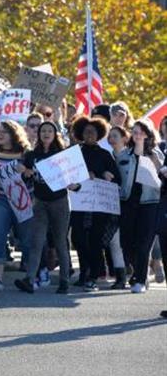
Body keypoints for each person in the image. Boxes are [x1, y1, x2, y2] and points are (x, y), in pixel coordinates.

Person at [14, 121, 72, 294]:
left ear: (55, 134)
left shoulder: (62, 154)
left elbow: (73, 178)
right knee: (37, 242)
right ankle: (30, 279)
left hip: (59, 201)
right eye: (43, 131)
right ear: (38, 134)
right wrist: (24, 171)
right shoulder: (32, 155)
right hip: (40, 202)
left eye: (50, 131)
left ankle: (64, 280)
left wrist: (74, 184)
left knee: (60, 241)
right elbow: (23, 175)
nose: (46, 133)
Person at [69, 116, 120, 291]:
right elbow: (66, 176)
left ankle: (93, 275)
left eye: (93, 131)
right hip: (78, 204)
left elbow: (116, 179)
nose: (89, 134)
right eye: (86, 131)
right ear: (80, 133)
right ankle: (84, 272)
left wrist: (102, 174)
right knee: (78, 239)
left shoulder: (105, 155)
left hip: (99, 207)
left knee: (96, 241)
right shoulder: (74, 153)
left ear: (99, 134)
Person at [0, 120, 32, 291]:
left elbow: (35, 176)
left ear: (14, 134)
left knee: (25, 239)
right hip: (1, 199)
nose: (0, 134)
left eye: (4, 131)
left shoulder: (26, 153)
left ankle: (32, 276)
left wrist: (27, 172)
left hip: (22, 201)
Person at [117, 119, 163, 293]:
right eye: (135, 131)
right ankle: (139, 271)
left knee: (144, 243)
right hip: (128, 202)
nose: (137, 135)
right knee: (126, 243)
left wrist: (151, 158)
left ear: (148, 134)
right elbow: (117, 174)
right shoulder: (124, 155)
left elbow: (161, 175)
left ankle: (140, 279)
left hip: (149, 202)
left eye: (141, 132)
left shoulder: (155, 153)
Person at [107, 126, 130, 288]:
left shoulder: (131, 157)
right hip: (111, 203)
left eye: (115, 135)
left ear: (124, 138)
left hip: (128, 204)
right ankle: (121, 277)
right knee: (114, 241)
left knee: (128, 241)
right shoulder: (108, 157)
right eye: (110, 136)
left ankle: (136, 273)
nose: (112, 138)